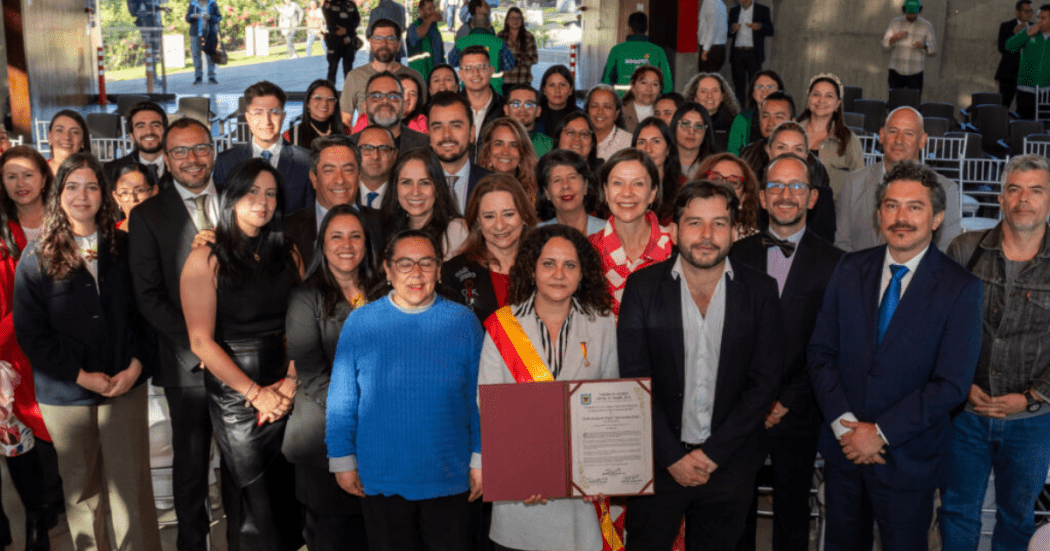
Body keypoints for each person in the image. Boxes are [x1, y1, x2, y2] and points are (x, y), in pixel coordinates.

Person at [811, 163, 983, 551]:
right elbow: (821, 352)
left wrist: (880, 433)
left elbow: (952, 384)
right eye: (891, 206)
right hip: (845, 452)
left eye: (914, 207)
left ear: (937, 217)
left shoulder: (962, 289)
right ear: (878, 214)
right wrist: (847, 428)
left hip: (908, 460)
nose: (901, 217)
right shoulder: (849, 268)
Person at [618, 180, 784, 551]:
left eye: (719, 224)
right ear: (674, 230)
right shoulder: (642, 288)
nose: (707, 235)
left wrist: (713, 454)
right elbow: (634, 380)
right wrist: (673, 457)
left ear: (736, 231)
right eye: (694, 223)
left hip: (729, 464)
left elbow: (764, 382)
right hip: (658, 464)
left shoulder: (761, 290)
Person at [14, 153, 161, 550]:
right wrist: (80, 376)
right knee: (82, 495)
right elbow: (32, 334)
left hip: (125, 384)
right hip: (66, 394)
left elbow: (148, 313)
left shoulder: (127, 246)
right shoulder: (36, 255)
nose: (82, 195)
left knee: (132, 491)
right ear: (58, 193)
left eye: (92, 186)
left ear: (105, 194)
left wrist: (136, 366)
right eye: (72, 186)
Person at [326, 229, 484, 550]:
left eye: (426, 263)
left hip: (449, 476)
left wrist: (481, 458)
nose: (416, 273)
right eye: (405, 263)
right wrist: (342, 460)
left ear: (439, 270)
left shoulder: (464, 322)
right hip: (382, 478)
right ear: (387, 269)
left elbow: (479, 399)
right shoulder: (361, 323)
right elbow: (342, 399)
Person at [180, 159, 304, 551]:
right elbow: (201, 343)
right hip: (238, 400)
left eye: (270, 194)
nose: (262, 202)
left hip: (288, 391)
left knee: (289, 503)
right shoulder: (206, 258)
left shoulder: (288, 252)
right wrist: (256, 393)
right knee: (254, 505)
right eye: (253, 192)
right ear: (232, 197)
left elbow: (302, 324)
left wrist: (290, 382)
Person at [477, 223, 618, 551]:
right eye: (548, 263)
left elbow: (610, 407)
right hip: (522, 500)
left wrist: (603, 474)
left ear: (583, 273)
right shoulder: (503, 326)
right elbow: (490, 411)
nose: (559, 273)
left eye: (570, 265)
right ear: (532, 269)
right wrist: (525, 473)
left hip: (581, 501)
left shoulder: (602, 325)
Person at [729, 153, 843, 551]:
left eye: (796, 186)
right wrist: (754, 399)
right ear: (761, 197)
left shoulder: (835, 264)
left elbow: (829, 343)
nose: (785, 195)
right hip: (741, 407)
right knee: (736, 510)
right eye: (776, 186)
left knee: (793, 513)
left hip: (800, 408)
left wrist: (787, 400)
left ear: (811, 198)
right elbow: (727, 337)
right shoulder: (736, 255)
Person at [939, 154, 1050, 551]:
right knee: (956, 511)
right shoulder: (965, 249)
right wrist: (961, 384)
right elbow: (938, 327)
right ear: (1000, 198)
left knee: (1016, 517)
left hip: (1032, 421)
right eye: (1014, 189)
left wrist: (1032, 396)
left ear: (1049, 199)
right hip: (966, 414)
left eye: (1036, 190)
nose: (1024, 199)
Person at [129, 117, 226, 551]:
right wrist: (200, 348)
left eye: (200, 147)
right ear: (166, 160)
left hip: (245, 358)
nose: (192, 159)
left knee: (243, 463)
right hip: (189, 365)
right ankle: (193, 543)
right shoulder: (148, 216)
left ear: (214, 150)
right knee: (191, 466)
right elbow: (149, 297)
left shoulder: (241, 200)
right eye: (181, 152)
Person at [284, 204, 374, 551]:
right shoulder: (305, 297)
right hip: (324, 437)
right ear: (322, 244)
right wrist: (361, 415)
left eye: (355, 236)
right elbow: (313, 374)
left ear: (367, 244)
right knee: (333, 538)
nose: (346, 244)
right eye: (336, 236)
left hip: (378, 439)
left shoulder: (383, 291)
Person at [0, 148, 58, 551]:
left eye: (27, 174)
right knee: (15, 437)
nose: (21, 184)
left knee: (62, 440)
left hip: (63, 351)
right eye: (10, 177)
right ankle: (35, 515)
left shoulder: (67, 222)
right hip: (11, 350)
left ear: (43, 177)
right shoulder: (2, 233)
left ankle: (58, 501)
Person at [835, 106, 962, 252]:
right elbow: (842, 245)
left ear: (922, 141)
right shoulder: (853, 183)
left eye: (908, 134)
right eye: (893, 131)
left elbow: (946, 254)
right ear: (882, 135)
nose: (899, 140)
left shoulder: (946, 189)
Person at [443, 173, 537, 323]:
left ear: (524, 215)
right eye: (489, 216)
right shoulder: (453, 272)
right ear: (478, 221)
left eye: (508, 214)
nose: (500, 225)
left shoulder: (547, 266)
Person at [589, 148, 672, 315]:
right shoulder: (588, 250)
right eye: (618, 183)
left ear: (652, 193)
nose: (627, 193)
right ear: (606, 191)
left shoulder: (675, 246)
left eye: (638, 184)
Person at [214, 81, 314, 214]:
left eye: (274, 112)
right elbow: (221, 213)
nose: (266, 121)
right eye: (258, 113)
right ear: (248, 117)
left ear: (283, 116)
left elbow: (309, 217)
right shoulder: (225, 162)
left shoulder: (307, 161)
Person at [284, 135, 384, 268]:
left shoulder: (385, 225)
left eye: (348, 170)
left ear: (359, 176)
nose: (340, 180)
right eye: (329, 171)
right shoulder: (286, 230)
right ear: (314, 178)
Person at [740, 118, 836, 243]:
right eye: (781, 147)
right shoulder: (748, 193)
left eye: (798, 149)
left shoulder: (822, 198)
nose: (790, 154)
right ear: (768, 151)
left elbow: (824, 247)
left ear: (806, 155)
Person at [379, 147, 469, 259]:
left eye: (425, 183)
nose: (415, 192)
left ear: (437, 189)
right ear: (395, 189)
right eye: (406, 182)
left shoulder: (455, 231)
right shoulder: (387, 230)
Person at [339, 19, 424, 129]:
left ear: (398, 45)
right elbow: (345, 119)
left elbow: (422, 117)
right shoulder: (355, 77)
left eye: (390, 38)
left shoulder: (414, 77)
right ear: (370, 43)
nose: (384, 43)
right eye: (378, 38)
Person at [796, 73, 862, 199]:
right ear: (808, 99)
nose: (821, 100)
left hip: (833, 213)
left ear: (838, 104)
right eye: (816, 94)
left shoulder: (849, 140)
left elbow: (859, 186)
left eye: (829, 96)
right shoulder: (792, 132)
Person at [428, 91, 492, 215]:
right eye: (437, 127)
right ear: (429, 135)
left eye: (456, 126)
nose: (446, 135)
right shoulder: (414, 186)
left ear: (472, 133)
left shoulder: (492, 183)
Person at [350, 71, 430, 150]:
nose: (385, 101)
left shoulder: (425, 144)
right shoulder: (348, 146)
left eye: (393, 96)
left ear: (403, 104)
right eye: (376, 96)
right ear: (364, 105)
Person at [448, 1, 516, 92]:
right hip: (494, 90)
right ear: (489, 26)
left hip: (468, 90)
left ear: (472, 25)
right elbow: (510, 65)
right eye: (486, 5)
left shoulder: (461, 42)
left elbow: (452, 61)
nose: (489, 8)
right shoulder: (499, 42)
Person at [601, 12, 673, 97]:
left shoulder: (617, 50)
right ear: (646, 28)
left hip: (623, 100)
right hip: (649, 101)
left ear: (630, 28)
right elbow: (667, 86)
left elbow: (606, 82)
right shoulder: (658, 51)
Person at [535, 150, 603, 236]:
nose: (565, 186)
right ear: (547, 192)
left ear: (585, 186)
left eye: (572, 177)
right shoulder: (538, 235)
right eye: (557, 180)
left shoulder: (607, 231)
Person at [696, 152, 760, 240]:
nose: (724, 186)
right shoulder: (678, 233)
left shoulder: (756, 241)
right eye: (716, 179)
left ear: (744, 197)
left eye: (733, 182)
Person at [104, 101, 168, 185]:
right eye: (141, 126)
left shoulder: (182, 166)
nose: (149, 131)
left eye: (156, 125)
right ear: (131, 136)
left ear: (166, 131)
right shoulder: (111, 170)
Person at [882, 0, 937, 95]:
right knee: (894, 102)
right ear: (904, 11)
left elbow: (933, 48)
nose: (912, 15)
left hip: (915, 72)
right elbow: (884, 45)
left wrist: (924, 46)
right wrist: (894, 38)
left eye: (914, 13)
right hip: (896, 70)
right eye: (909, 13)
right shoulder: (896, 23)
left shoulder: (926, 25)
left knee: (914, 104)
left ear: (919, 11)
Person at [476, 117, 538, 202]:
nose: (505, 152)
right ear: (488, 150)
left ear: (522, 153)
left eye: (513, 145)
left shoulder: (536, 194)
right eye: (498, 144)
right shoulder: (472, 186)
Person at [633, 117, 682, 224]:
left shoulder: (683, 187)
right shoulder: (623, 185)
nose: (648, 149)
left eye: (656, 141)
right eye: (642, 142)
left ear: (668, 149)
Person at [457, 45, 508, 147]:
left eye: (481, 67)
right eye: (468, 68)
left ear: (491, 71)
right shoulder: (450, 108)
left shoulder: (506, 108)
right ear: (460, 75)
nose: (476, 73)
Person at [1006, 3, 1050, 119]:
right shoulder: (1029, 32)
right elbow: (1009, 46)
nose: (1039, 21)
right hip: (1025, 90)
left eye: (1043, 18)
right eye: (1038, 17)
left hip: (1047, 92)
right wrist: (1027, 34)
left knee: (1044, 129)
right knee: (1024, 127)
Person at [728, 0, 775, 106]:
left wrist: (760, 27)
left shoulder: (762, 10)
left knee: (755, 85)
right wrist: (732, 28)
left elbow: (771, 31)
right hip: (737, 53)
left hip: (753, 53)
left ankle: (754, 112)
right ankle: (740, 113)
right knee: (739, 86)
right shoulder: (734, 11)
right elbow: (727, 33)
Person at [1, 146, 51, 244]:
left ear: (43, 179)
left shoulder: (67, 219)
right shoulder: (3, 227)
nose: (20, 183)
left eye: (28, 175)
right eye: (12, 177)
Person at [726, 70, 783, 155]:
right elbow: (733, 154)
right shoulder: (742, 119)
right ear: (753, 93)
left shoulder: (790, 117)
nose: (764, 91)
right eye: (759, 87)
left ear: (780, 91)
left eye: (770, 87)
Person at [284, 79, 346, 148]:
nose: (324, 103)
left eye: (330, 99)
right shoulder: (290, 135)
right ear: (307, 103)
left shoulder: (347, 132)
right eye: (318, 98)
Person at [684, 73, 739, 149]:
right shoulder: (684, 124)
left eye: (715, 91)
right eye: (703, 91)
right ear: (695, 97)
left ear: (722, 96)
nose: (709, 96)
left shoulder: (734, 125)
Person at [996, 0, 1032, 108]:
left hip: (1027, 76)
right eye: (1026, 11)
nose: (1028, 14)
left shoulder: (1035, 28)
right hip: (1009, 74)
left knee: (1025, 108)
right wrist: (1014, 36)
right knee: (1003, 105)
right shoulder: (1006, 26)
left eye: (1030, 11)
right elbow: (1001, 48)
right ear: (1017, 12)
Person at [497, 7, 539, 94]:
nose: (515, 20)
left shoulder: (529, 37)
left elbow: (534, 59)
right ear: (507, 20)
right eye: (511, 17)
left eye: (518, 18)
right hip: (504, 83)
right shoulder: (500, 36)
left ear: (522, 20)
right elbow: (495, 58)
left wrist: (516, 60)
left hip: (523, 82)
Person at [356, 126, 399, 210]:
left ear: (395, 155)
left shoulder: (404, 196)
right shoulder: (343, 191)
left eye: (384, 149)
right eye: (367, 148)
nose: (375, 156)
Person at [671, 103, 717, 180]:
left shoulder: (716, 168)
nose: (692, 132)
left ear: (706, 132)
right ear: (674, 127)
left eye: (699, 126)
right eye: (685, 124)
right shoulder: (661, 164)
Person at [504, 84, 553, 156]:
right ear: (506, 110)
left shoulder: (550, 146)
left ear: (538, 111)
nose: (523, 109)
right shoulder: (492, 141)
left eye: (529, 104)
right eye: (516, 104)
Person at [586, 84, 632, 161]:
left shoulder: (629, 143)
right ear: (587, 111)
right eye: (594, 106)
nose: (600, 112)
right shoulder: (577, 138)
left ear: (616, 114)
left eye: (607, 107)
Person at [321, 0, 360, 84]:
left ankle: (349, 93)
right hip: (334, 41)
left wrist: (347, 30)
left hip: (348, 40)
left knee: (348, 69)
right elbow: (329, 20)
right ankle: (330, 93)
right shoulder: (329, 4)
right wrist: (336, 30)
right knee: (332, 69)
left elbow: (357, 20)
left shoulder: (350, 4)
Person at [407, 0, 447, 82]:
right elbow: (418, 34)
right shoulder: (413, 27)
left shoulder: (434, 29)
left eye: (433, 8)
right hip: (420, 76)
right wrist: (429, 20)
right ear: (421, 11)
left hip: (436, 75)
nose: (433, 12)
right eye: (429, 9)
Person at [112, 163, 159, 231]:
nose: (133, 198)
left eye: (139, 190)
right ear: (117, 198)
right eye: (124, 192)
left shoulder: (170, 232)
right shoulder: (110, 235)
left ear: (154, 192)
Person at [538, 65, 580, 137]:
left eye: (562, 85)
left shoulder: (581, 117)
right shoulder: (534, 116)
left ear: (570, 90)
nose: (557, 90)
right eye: (551, 85)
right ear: (544, 90)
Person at [185, 0, 221, 85]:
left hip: (210, 32)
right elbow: (187, 18)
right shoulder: (193, 3)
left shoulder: (212, 3)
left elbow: (219, 17)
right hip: (195, 33)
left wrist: (210, 17)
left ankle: (212, 77)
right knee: (196, 54)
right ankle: (198, 77)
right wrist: (193, 16)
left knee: (210, 53)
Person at [622, 65, 664, 133]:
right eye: (643, 83)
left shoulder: (664, 113)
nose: (649, 89)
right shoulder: (619, 112)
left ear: (659, 90)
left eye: (655, 84)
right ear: (633, 87)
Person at [46, 110, 90, 175]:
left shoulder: (92, 174)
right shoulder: (37, 170)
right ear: (49, 137)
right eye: (59, 130)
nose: (67, 137)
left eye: (75, 132)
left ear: (83, 141)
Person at [697, 0, 728, 73]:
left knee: (706, 79)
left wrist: (705, 50)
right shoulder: (721, 4)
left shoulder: (709, 2)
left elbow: (712, 28)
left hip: (710, 50)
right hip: (719, 48)